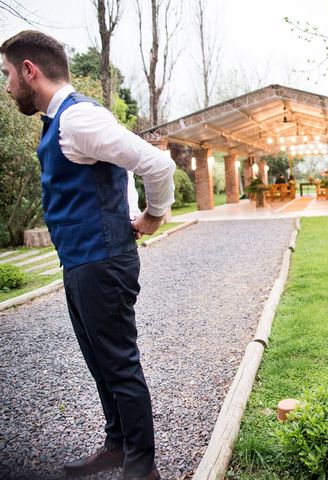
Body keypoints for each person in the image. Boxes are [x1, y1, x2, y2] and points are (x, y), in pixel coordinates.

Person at [1, 31, 175, 480]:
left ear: (29, 70)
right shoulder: (68, 120)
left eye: (5, 75)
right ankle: (117, 446)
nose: (6, 87)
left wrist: (153, 215)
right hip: (82, 262)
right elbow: (120, 171)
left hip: (102, 261)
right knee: (101, 362)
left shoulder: (78, 119)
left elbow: (156, 163)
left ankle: (142, 465)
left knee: (118, 363)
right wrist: (133, 208)